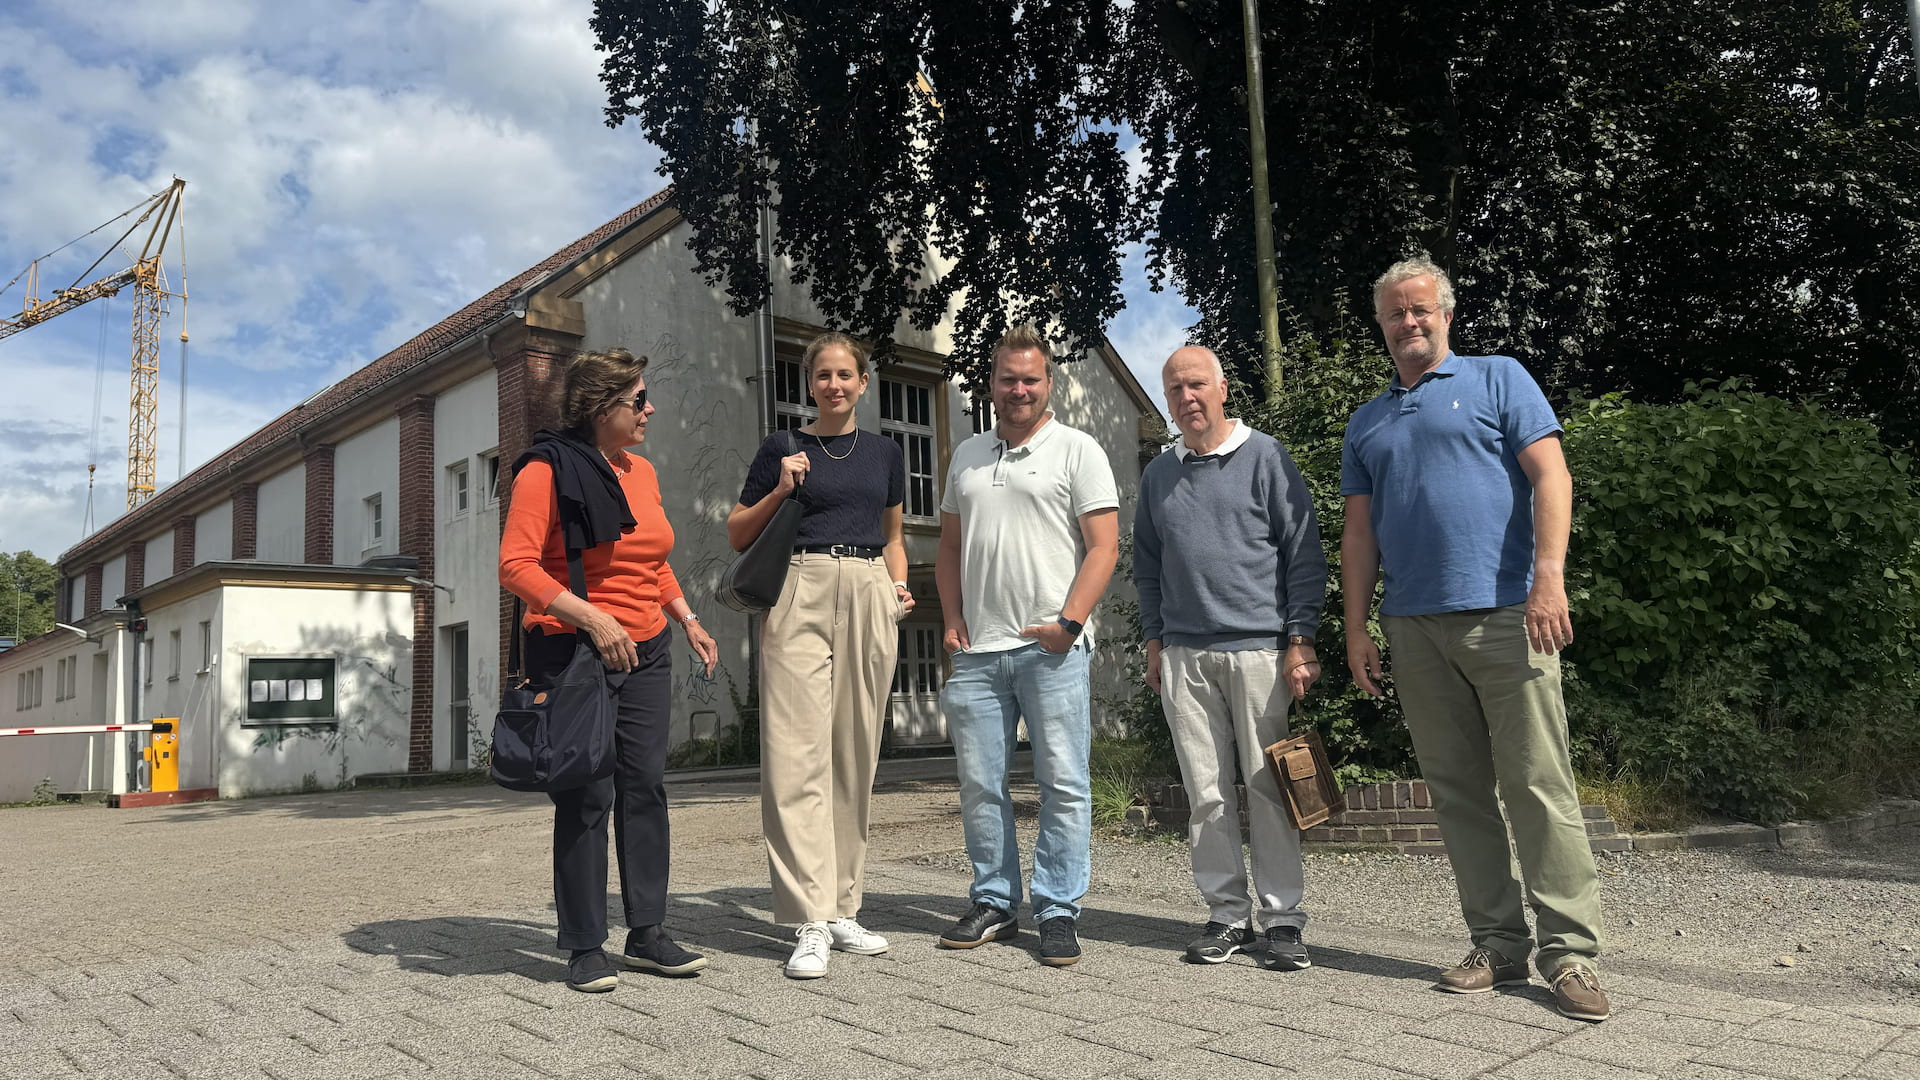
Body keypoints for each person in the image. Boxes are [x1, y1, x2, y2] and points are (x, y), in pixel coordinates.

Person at [1340, 256, 1609, 1021]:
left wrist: (1547, 578)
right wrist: (1358, 625)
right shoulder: (1368, 421)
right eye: (1395, 313)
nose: (1409, 322)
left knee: (1538, 786)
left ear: (1446, 314)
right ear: (1382, 325)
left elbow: (1551, 477)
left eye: (1421, 309)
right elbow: (1359, 534)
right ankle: (1496, 941)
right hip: (1413, 625)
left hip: (1506, 616)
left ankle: (1570, 955)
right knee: (1457, 795)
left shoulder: (1500, 379)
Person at [499, 346, 719, 994]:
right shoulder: (545, 471)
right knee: (587, 793)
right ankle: (584, 946)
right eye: (638, 400)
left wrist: (687, 618)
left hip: (646, 646)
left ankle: (647, 933)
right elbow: (516, 566)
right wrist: (593, 619)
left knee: (645, 786)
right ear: (600, 407)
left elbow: (652, 560)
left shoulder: (641, 473)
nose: (649, 409)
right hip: (574, 650)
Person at [1134, 346, 1326, 971]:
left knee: (1269, 787)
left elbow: (1303, 550)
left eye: (1196, 385)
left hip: (1259, 651)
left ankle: (1283, 920)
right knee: (1206, 794)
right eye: (1174, 389)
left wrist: (1301, 639)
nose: (1186, 398)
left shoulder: (1266, 456)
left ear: (1220, 389)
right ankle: (1225, 916)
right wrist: (1155, 640)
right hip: (1185, 655)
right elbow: (1147, 566)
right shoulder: (1160, 474)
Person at [934, 324, 1119, 967]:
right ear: (991, 383)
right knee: (980, 783)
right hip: (978, 651)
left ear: (1048, 385)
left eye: (1030, 379)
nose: (1018, 389)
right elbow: (949, 549)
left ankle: (1059, 909)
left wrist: (1068, 624)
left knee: (1063, 782)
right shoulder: (967, 456)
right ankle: (993, 901)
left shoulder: (1078, 450)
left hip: (1053, 649)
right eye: (1008, 378)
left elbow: (1104, 547)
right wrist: (952, 619)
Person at [727, 332, 910, 980]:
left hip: (868, 590)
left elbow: (892, 538)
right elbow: (737, 530)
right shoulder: (784, 447)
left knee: (855, 754)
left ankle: (842, 908)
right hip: (799, 588)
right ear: (810, 384)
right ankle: (807, 918)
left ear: (863, 383)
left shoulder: (886, 453)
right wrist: (780, 489)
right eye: (823, 374)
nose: (834, 384)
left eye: (845, 374)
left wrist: (899, 586)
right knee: (795, 754)